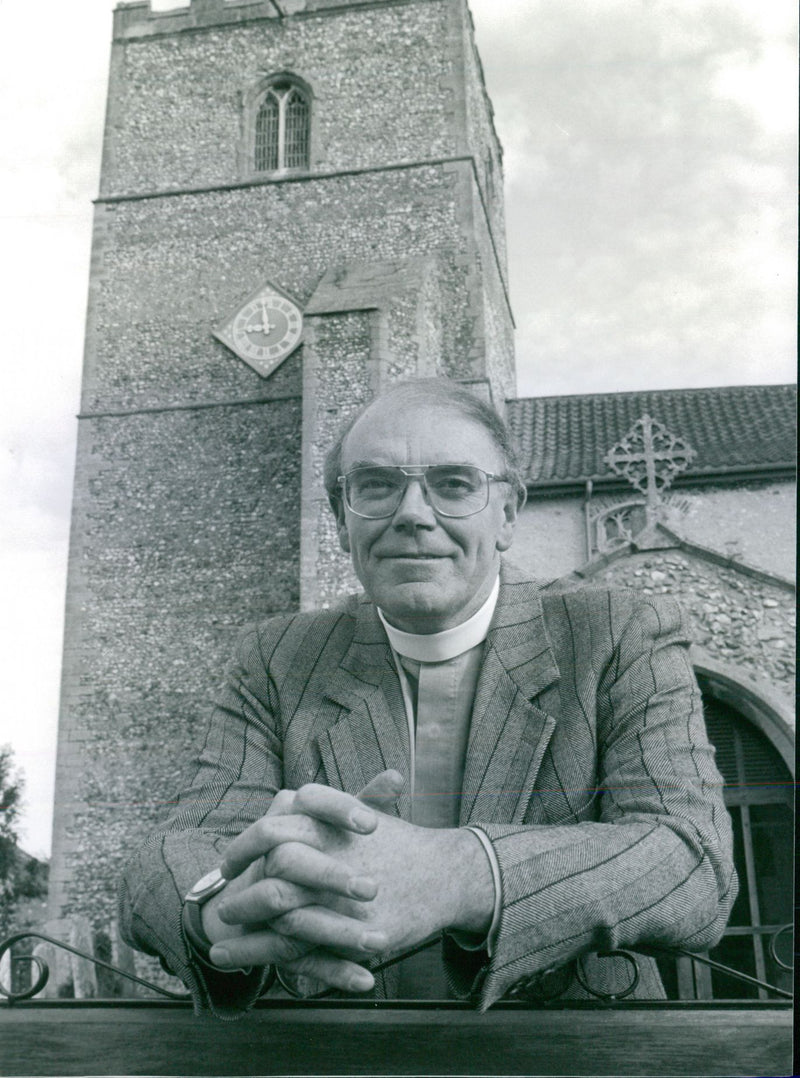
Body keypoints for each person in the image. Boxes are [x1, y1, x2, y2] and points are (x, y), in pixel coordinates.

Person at [119, 378, 736, 1015]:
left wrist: (458, 875)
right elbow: (168, 857)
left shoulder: (618, 631)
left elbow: (693, 862)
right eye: (378, 486)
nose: (412, 513)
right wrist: (217, 912)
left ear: (508, 515)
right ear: (341, 522)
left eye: (454, 484)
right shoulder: (277, 659)